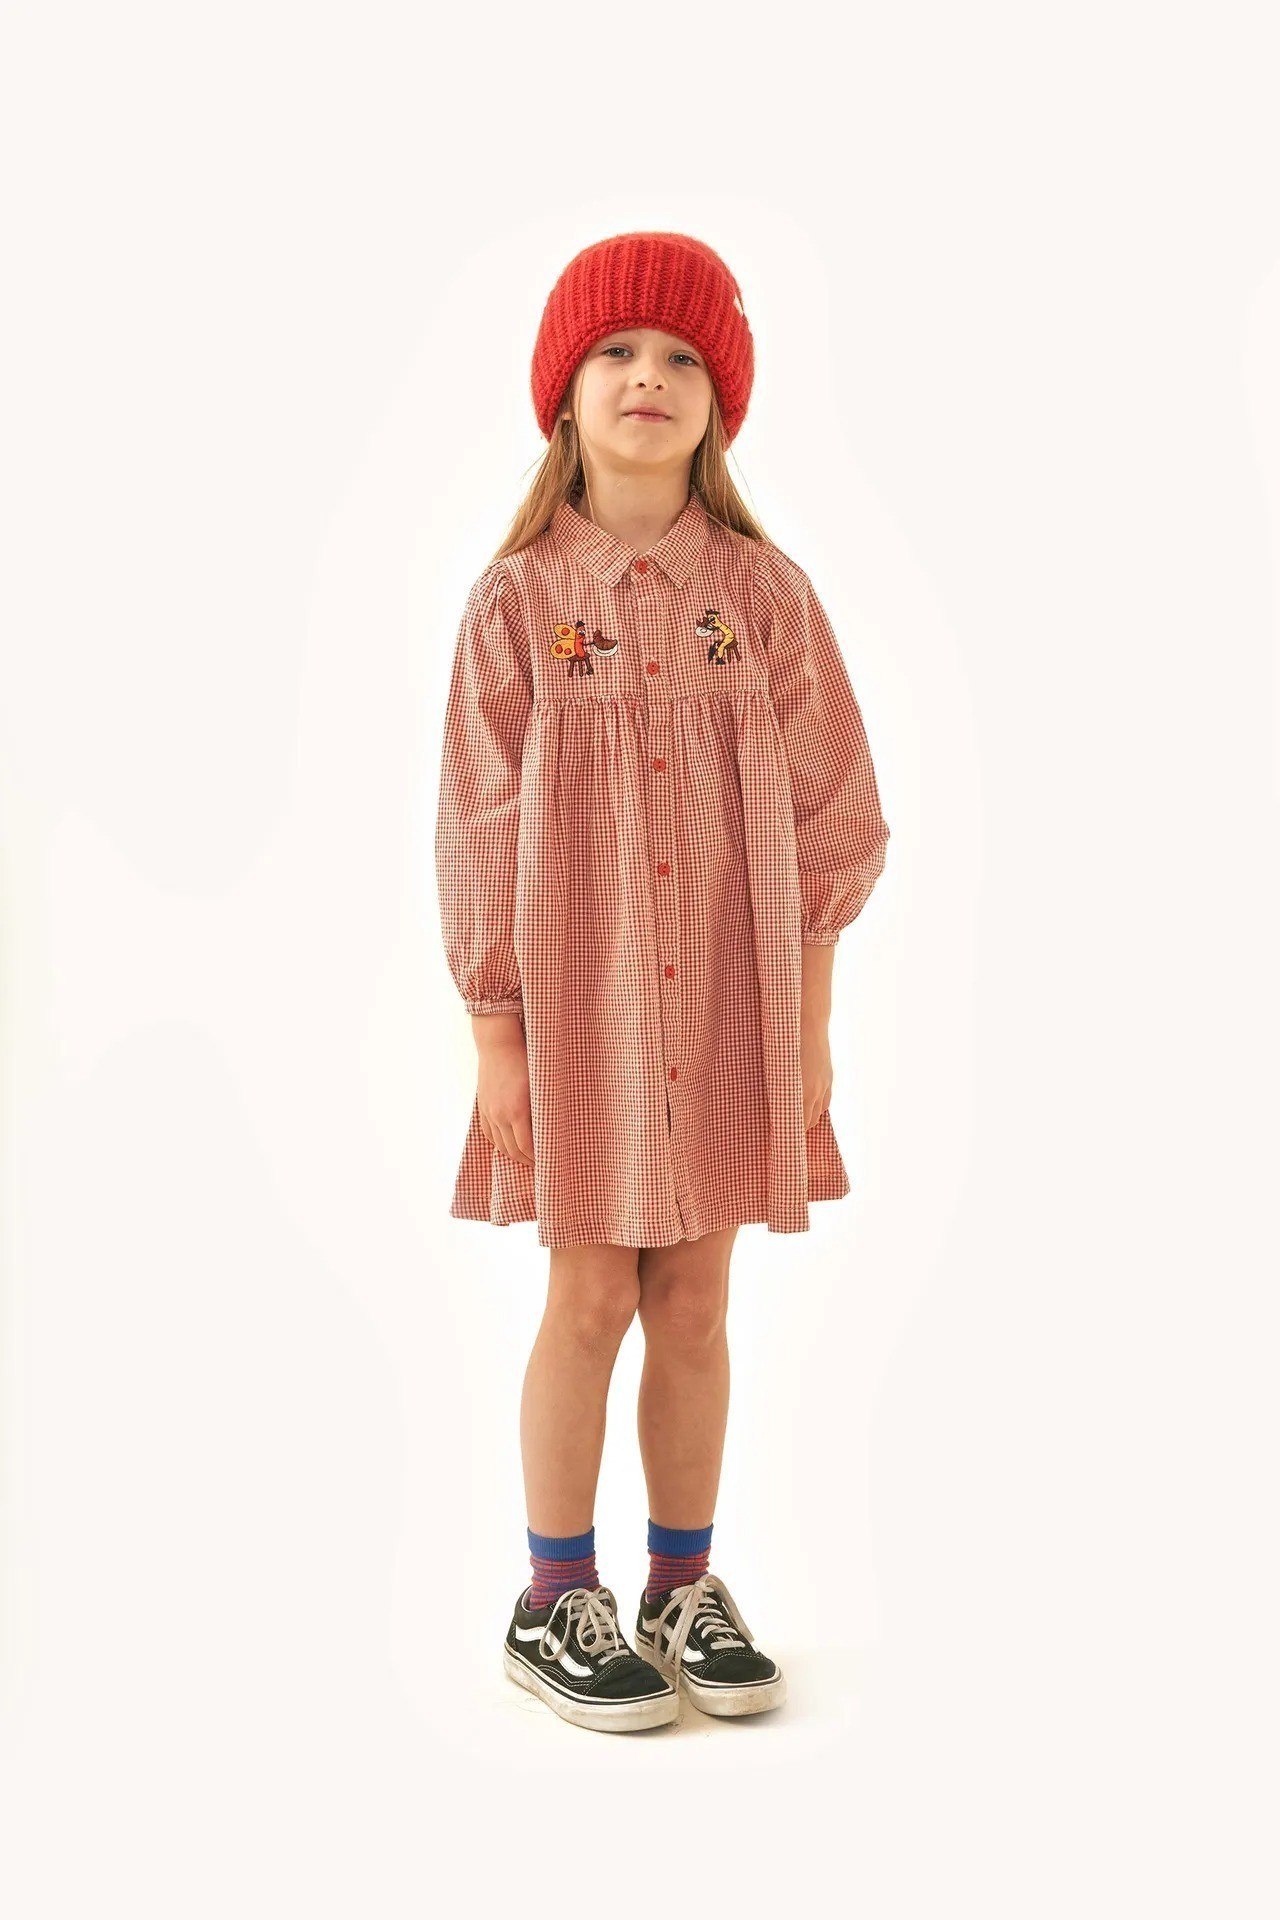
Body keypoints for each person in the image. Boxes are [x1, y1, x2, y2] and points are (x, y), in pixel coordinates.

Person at [433, 230, 890, 1734]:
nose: (650, 376)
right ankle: (552, 1594)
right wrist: (494, 1034)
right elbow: (475, 824)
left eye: (684, 356)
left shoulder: (763, 598)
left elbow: (835, 807)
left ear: (720, 400)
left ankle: (679, 1586)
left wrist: (812, 1017)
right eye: (618, 350)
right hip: (581, 1012)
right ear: (565, 393)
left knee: (695, 1300)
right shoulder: (517, 606)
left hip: (733, 1008)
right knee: (587, 1297)